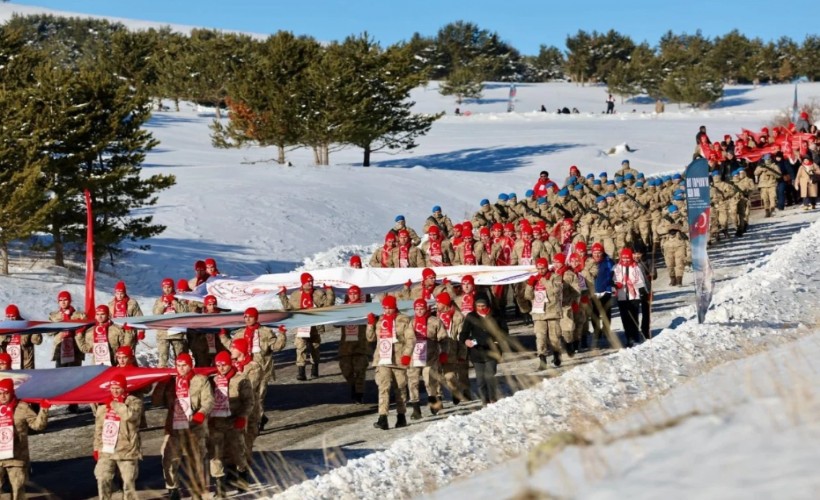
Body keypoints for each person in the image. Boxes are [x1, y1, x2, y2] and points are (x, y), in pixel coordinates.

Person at [153, 353, 214, 500]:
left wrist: (201, 413)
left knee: (196, 460)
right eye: (178, 365)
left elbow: (209, 401)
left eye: (184, 365)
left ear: (190, 364)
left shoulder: (200, 380)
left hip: (194, 427)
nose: (181, 368)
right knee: (168, 459)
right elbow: (156, 402)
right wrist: (161, 384)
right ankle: (173, 489)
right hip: (174, 427)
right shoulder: (171, 382)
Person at [221, 307, 285, 431]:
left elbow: (276, 347)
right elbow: (233, 347)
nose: (247, 319)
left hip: (263, 368)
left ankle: (258, 420)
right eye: (245, 317)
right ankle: (257, 418)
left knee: (259, 395)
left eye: (250, 316)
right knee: (249, 395)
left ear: (256, 318)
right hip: (246, 368)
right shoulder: (240, 333)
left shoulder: (266, 332)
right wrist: (223, 336)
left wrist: (282, 334)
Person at [208, 350, 254, 496]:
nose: (220, 368)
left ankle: (243, 478)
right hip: (217, 423)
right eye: (218, 365)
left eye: (223, 365)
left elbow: (249, 402)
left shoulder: (241, 380)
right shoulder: (213, 380)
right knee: (216, 455)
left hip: (234, 422)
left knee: (238, 453)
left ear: (230, 364)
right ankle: (220, 487)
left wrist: (242, 417)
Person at [366, 295, 414, 430]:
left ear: (395, 307)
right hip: (382, 359)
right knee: (383, 387)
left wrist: (407, 355)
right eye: (385, 308)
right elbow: (370, 338)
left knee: (400, 389)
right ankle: (383, 417)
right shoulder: (380, 320)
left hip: (398, 360)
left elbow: (411, 339)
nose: (387, 311)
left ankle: (401, 416)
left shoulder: (404, 319)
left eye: (389, 308)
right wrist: (370, 324)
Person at [93, 373, 142, 500]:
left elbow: (130, 416)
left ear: (124, 388)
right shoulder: (103, 405)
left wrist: (115, 404)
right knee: (102, 479)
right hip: (107, 449)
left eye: (118, 388)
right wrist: (96, 448)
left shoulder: (134, 402)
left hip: (127, 450)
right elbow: (98, 429)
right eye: (112, 387)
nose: (115, 390)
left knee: (128, 483)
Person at [278, 273, 334, 380]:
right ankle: (301, 372)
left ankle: (314, 369)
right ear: (302, 283)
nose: (310, 283)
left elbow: (328, 305)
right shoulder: (296, 295)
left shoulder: (318, 293)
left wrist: (329, 290)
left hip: (315, 326)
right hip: (301, 326)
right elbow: (289, 307)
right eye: (307, 281)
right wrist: (282, 295)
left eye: (311, 281)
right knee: (300, 347)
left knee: (315, 347)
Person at [0, 378, 49, 500]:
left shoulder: (22, 407)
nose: (3, 396)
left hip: (17, 458)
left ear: (12, 392)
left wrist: (44, 409)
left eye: (6, 393)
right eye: (0, 393)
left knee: (18, 491)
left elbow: (38, 425)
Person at [459, 297, 509, 406]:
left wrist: (497, 340)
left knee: (490, 375)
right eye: (478, 306)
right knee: (480, 380)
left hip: (492, 350)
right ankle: (484, 400)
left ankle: (493, 398)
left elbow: (504, 332)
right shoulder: (471, 317)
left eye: (483, 306)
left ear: (488, 306)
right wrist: (466, 340)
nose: (481, 308)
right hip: (477, 352)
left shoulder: (495, 316)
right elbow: (463, 333)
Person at [406, 298, 446, 420]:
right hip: (415, 357)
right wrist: (406, 355)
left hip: (430, 356)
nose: (419, 311)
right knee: (413, 382)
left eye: (421, 309)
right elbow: (408, 340)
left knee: (430, 382)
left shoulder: (434, 321)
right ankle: (416, 409)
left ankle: (434, 403)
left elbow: (443, 338)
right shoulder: (411, 322)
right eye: (417, 309)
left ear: (426, 308)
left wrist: (443, 352)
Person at [229, 338, 263, 467]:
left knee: (247, 439)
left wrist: (238, 372)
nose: (231, 350)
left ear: (241, 350)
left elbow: (250, 385)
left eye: (234, 348)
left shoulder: (253, 367)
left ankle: (244, 470)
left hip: (250, 409)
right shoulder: (231, 365)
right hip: (234, 407)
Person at [337, 286, 370, 404]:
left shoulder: (365, 308)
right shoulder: (343, 308)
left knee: (360, 370)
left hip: (360, 346)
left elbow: (373, 321)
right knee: (346, 370)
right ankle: (353, 386)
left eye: (355, 293)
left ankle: (359, 394)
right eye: (351, 293)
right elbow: (335, 324)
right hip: (346, 346)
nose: (353, 296)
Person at [613, 248, 648, 348]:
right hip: (622, 296)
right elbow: (612, 280)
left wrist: (642, 292)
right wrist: (616, 285)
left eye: (628, 259)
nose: (626, 261)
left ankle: (635, 336)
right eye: (624, 259)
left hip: (634, 296)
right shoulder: (616, 267)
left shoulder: (636, 267)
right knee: (625, 318)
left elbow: (641, 281)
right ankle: (629, 337)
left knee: (633, 317)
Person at [153, 278, 188, 368]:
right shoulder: (159, 300)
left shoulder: (179, 298)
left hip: (176, 332)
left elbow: (184, 312)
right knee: (162, 358)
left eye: (169, 287)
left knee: (180, 357)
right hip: (163, 332)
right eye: (165, 287)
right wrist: (163, 305)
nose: (167, 289)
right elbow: (155, 314)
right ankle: (162, 378)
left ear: (172, 287)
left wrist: (174, 302)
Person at [48, 291, 86, 373]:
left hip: (75, 349)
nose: (63, 302)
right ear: (58, 302)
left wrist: (80, 330)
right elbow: (49, 332)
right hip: (60, 348)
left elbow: (86, 328)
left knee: (75, 375)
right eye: (61, 300)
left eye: (65, 300)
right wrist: (58, 325)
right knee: (60, 375)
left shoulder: (79, 315)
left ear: (70, 301)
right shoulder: (54, 316)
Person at [1, 305, 42, 370]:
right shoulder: (3, 326)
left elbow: (37, 341)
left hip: (26, 364)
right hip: (7, 363)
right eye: (8, 316)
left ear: (17, 315)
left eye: (13, 316)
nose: (11, 319)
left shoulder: (27, 325)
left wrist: (35, 329)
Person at [189, 295, 223, 368]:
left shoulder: (222, 314)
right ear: (206, 305)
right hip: (202, 347)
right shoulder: (199, 315)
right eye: (210, 305)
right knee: (202, 367)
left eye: (214, 304)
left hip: (217, 346)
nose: (212, 307)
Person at [108, 281, 144, 351]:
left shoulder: (132, 303)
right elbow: (108, 317)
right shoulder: (111, 304)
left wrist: (141, 331)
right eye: (117, 293)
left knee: (129, 354)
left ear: (125, 293)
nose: (119, 296)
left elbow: (139, 317)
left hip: (129, 332)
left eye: (121, 293)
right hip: (115, 333)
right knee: (116, 355)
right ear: (115, 293)